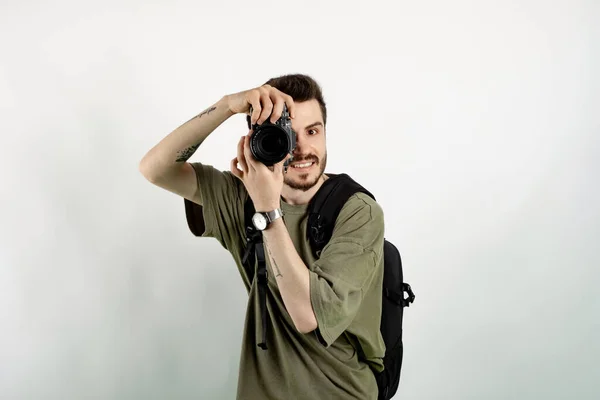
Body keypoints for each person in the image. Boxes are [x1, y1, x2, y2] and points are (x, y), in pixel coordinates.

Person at [139, 74, 386, 400]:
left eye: (313, 131)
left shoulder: (357, 211)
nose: (302, 148)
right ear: (260, 138)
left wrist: (268, 209)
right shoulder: (241, 198)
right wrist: (227, 105)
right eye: (287, 133)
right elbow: (155, 168)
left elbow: (308, 316)